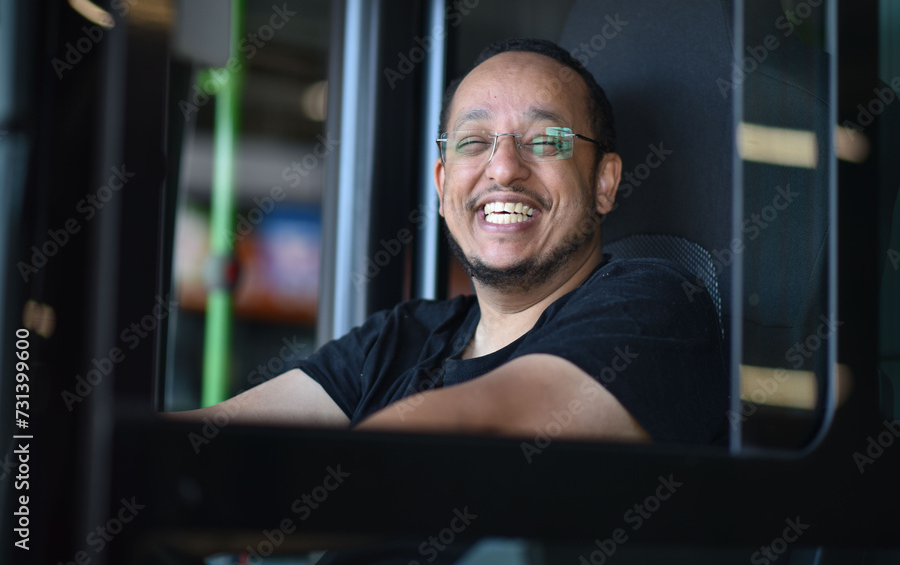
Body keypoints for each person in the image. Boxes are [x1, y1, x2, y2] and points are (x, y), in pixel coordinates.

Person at [170, 37, 727, 445]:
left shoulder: (656, 309)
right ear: (442, 186)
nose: (504, 167)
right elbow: (221, 439)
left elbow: (483, 425)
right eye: (474, 141)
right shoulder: (401, 338)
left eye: (545, 140)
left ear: (604, 182)